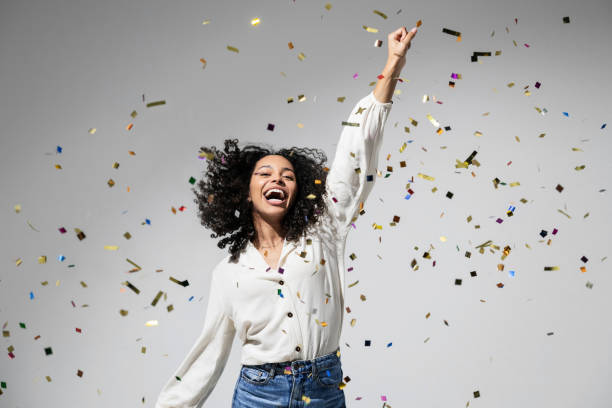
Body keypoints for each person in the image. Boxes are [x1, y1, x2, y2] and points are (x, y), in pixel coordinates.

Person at [155, 25, 418, 408]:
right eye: (265, 173)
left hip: (323, 390)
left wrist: (392, 65)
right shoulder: (229, 273)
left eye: (287, 175)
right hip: (259, 393)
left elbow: (354, 153)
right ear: (245, 192)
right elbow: (208, 354)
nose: (277, 178)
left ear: (297, 191)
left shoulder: (324, 232)